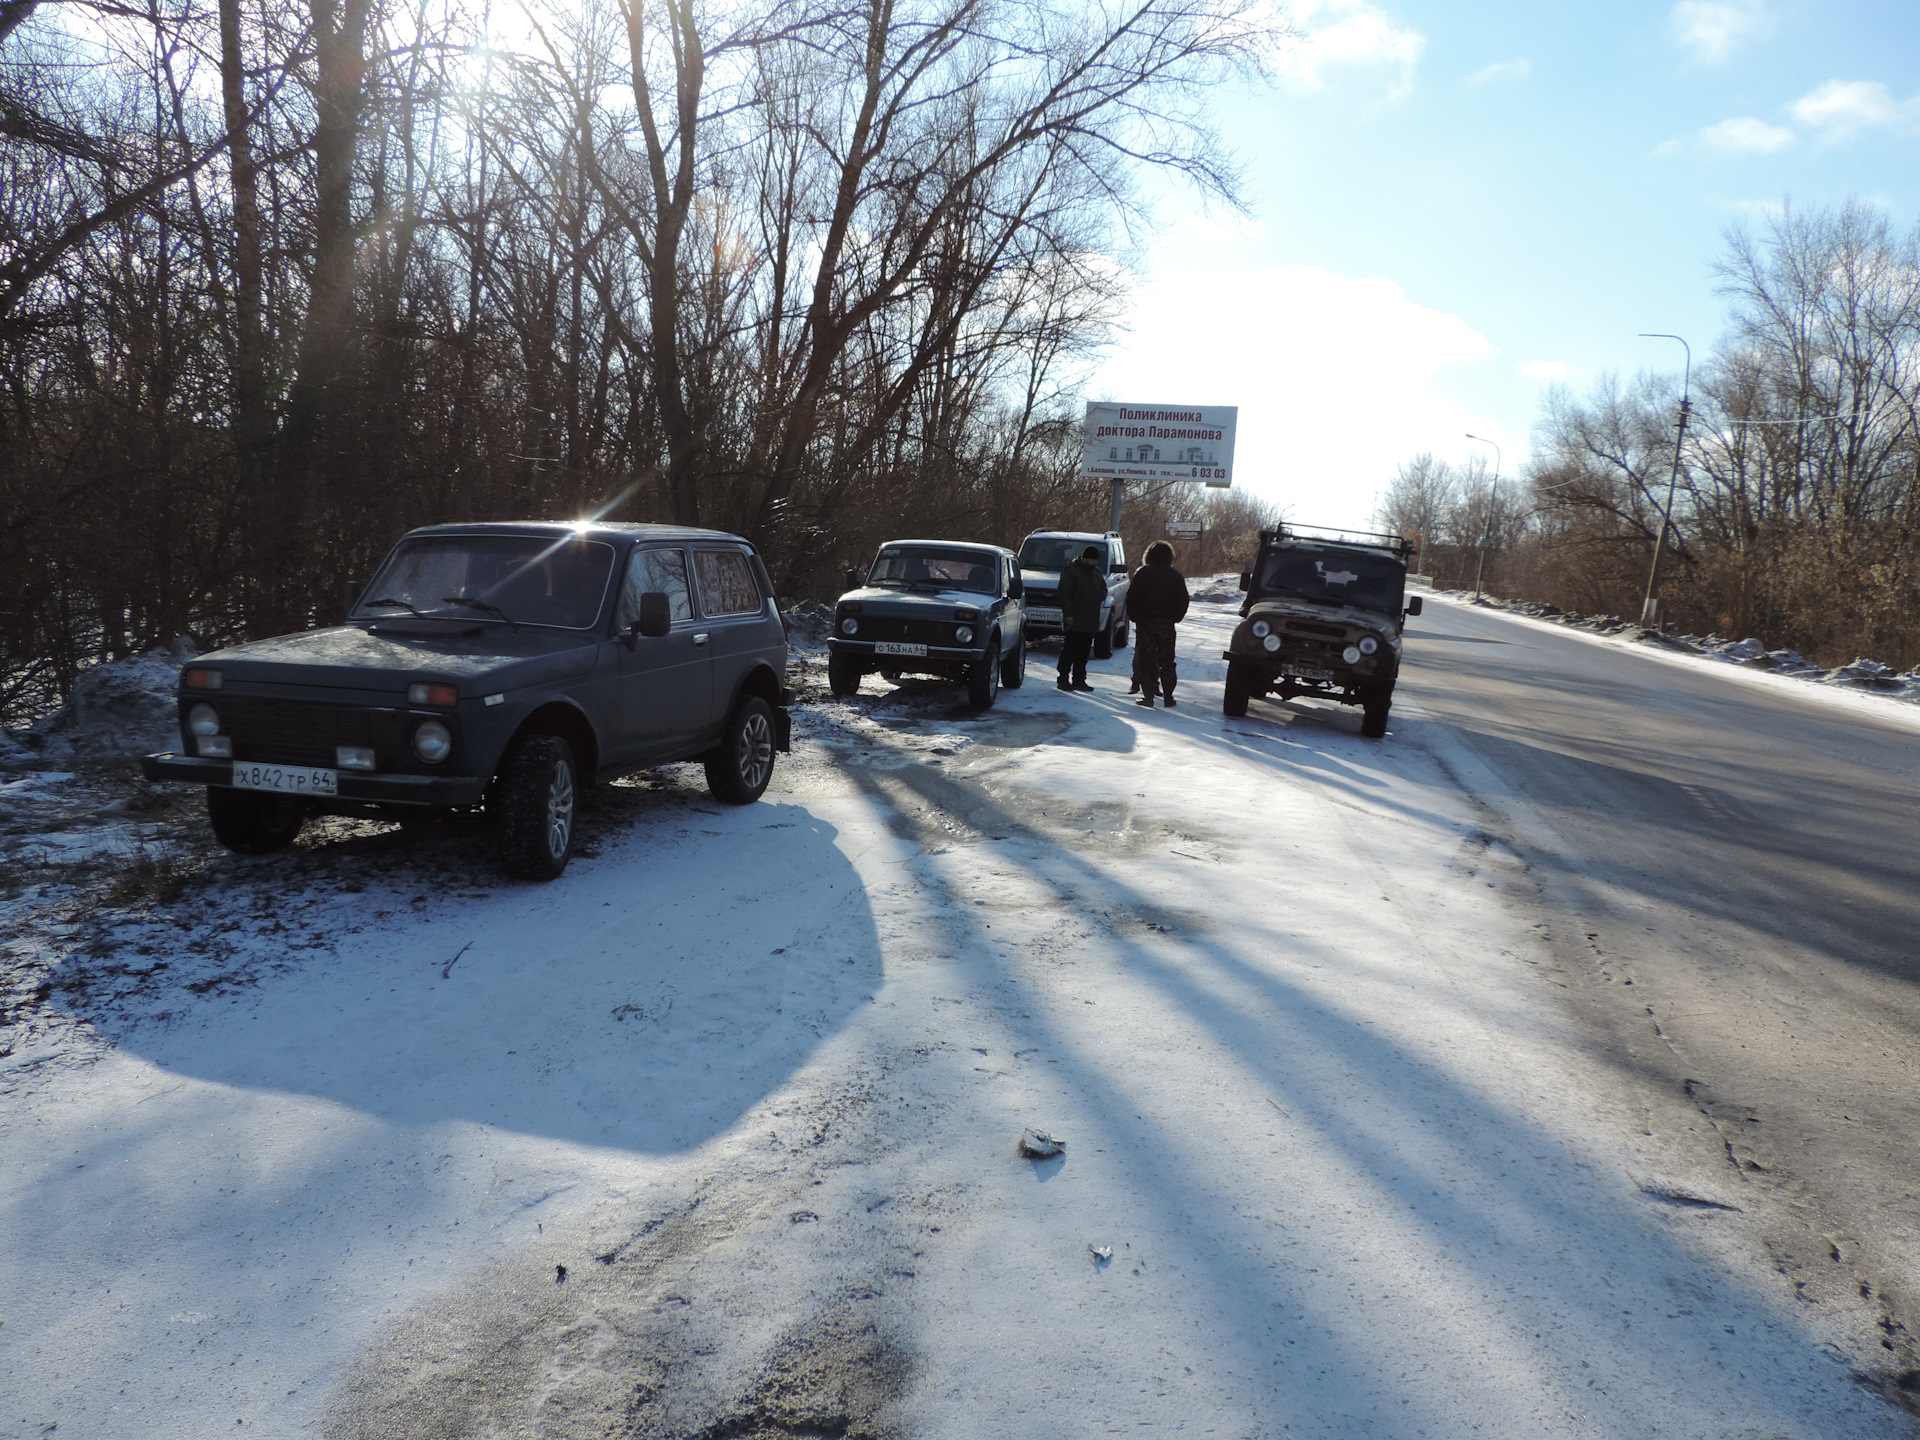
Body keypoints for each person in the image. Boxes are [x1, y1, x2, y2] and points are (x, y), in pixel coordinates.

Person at [1127, 541, 1189, 707]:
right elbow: (1183, 600)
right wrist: (1175, 618)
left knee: (1147, 661)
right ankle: (1168, 697)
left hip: (1145, 624)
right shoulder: (1175, 575)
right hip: (1166, 625)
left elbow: (1131, 598)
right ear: (1170, 557)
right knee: (1167, 662)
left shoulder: (1142, 573)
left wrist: (1136, 618)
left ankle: (1148, 698)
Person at [1055, 544, 1108, 692]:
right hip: (1076, 619)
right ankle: (1063, 678)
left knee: (1084, 652)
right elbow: (1064, 594)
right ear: (1086, 559)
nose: (1094, 563)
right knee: (1070, 650)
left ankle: (1079, 679)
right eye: (1093, 560)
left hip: (1090, 620)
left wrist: (1100, 597)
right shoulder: (1071, 572)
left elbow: (1103, 589)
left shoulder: (1096, 574)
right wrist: (1069, 615)